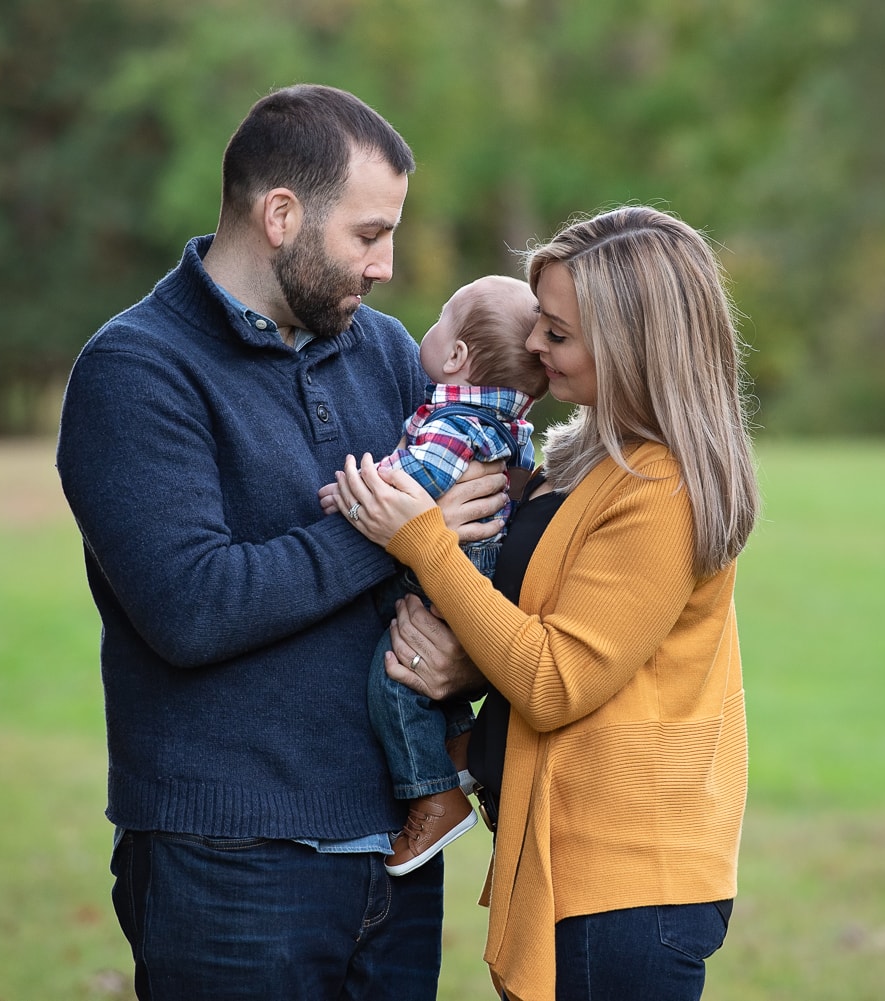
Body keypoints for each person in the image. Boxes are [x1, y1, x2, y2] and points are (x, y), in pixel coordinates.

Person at [55, 83, 509, 1001]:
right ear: (281, 214)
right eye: (369, 234)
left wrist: (466, 654)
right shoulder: (136, 371)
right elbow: (192, 605)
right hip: (230, 861)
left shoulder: (385, 353)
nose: (386, 265)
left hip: (397, 854)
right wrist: (398, 534)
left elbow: (455, 553)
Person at [330, 205, 761, 1001]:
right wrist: (461, 669)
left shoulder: (661, 490)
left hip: (625, 883)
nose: (531, 347)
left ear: (634, 345)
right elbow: (538, 634)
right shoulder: (587, 458)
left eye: (556, 334)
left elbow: (556, 680)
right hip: (570, 862)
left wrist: (422, 538)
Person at [321, 275, 548, 877]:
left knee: (396, 675)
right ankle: (458, 746)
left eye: (443, 315)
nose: (430, 322)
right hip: (485, 570)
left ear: (456, 357)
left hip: (454, 562)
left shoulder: (455, 421)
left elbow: (411, 487)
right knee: (424, 658)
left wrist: (349, 496)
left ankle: (433, 796)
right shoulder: (511, 425)